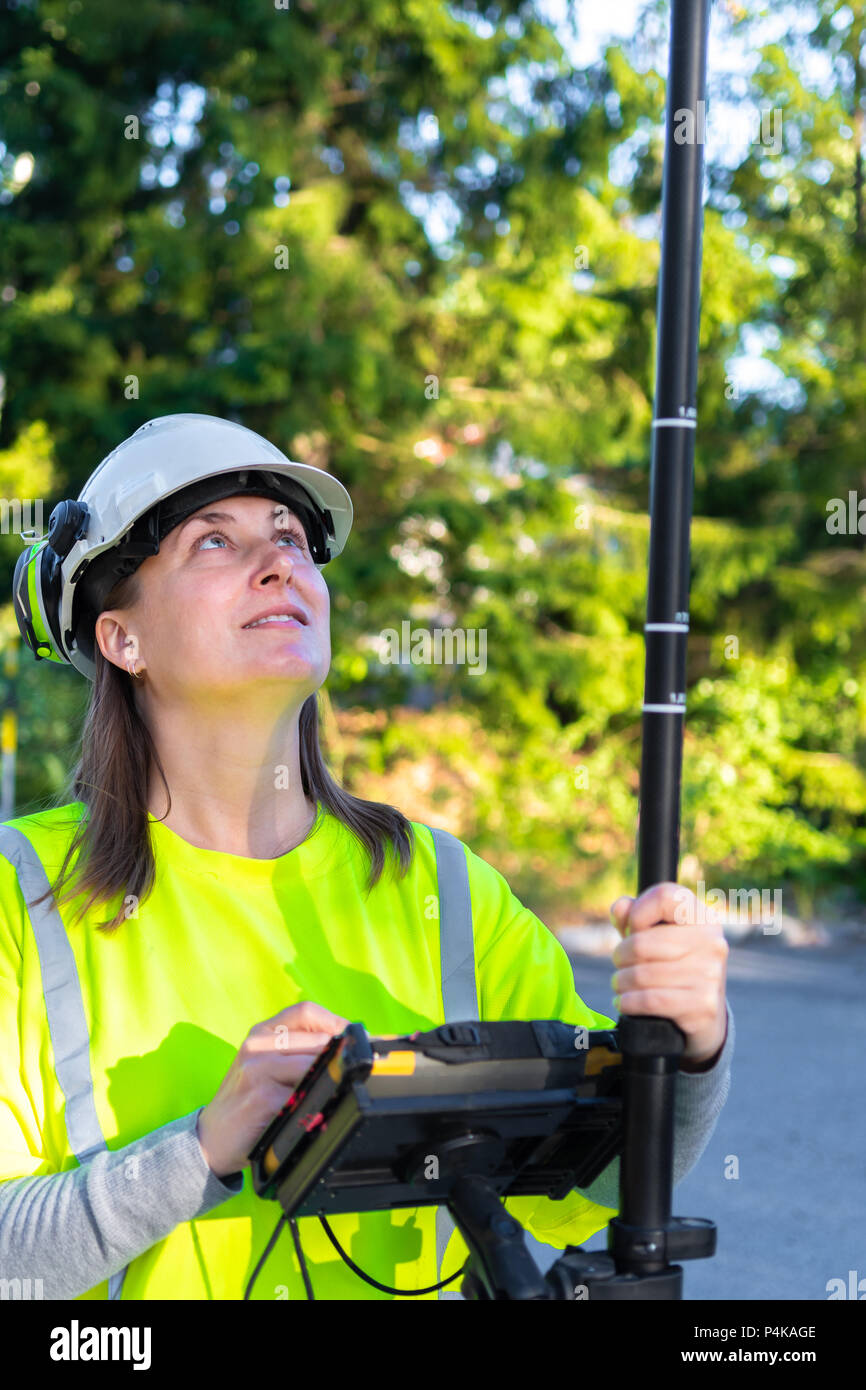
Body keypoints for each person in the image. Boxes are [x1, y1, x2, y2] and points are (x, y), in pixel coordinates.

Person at [0, 413, 733, 1300]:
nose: (279, 563)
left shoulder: (442, 888)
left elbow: (603, 1184)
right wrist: (202, 1149)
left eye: (291, 539)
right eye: (214, 542)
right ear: (123, 639)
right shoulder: (22, 896)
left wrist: (690, 1049)